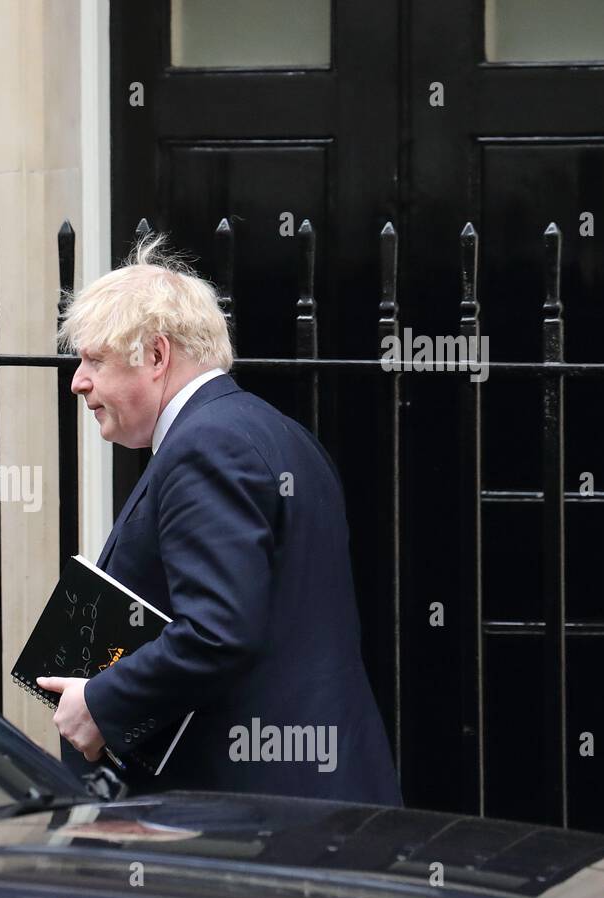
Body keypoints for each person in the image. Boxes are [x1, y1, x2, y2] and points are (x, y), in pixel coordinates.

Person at [38, 234, 401, 806]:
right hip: (307, 792)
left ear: (155, 356)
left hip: (253, 814)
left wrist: (101, 702)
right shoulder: (279, 434)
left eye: (94, 359)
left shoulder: (206, 446)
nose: (78, 380)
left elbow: (217, 631)